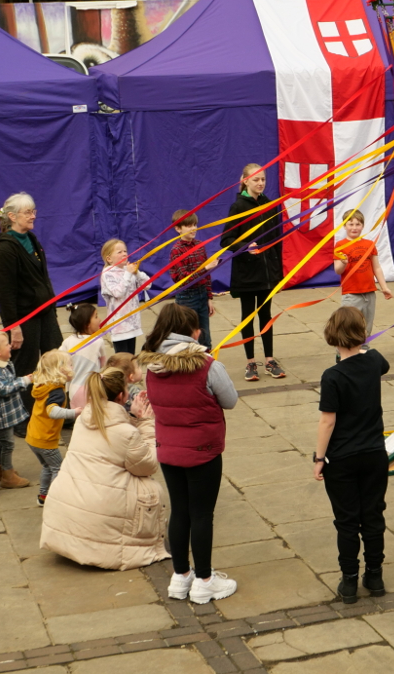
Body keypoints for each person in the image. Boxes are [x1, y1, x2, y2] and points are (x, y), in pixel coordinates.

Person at [140, 302, 239, 605]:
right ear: (193, 333)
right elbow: (230, 400)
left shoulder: (151, 367)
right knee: (201, 514)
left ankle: (180, 575)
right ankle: (205, 580)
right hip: (203, 450)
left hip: (169, 449)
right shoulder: (208, 366)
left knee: (179, 511)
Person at [41, 367, 170, 570]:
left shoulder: (84, 419)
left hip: (65, 508)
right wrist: (146, 423)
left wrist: (132, 417)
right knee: (151, 488)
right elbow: (148, 465)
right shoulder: (125, 432)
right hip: (102, 513)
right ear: (121, 396)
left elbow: (113, 435)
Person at [313, 306, 391, 604]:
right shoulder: (373, 361)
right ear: (362, 334)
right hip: (373, 453)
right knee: (373, 514)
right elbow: (379, 362)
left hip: (342, 458)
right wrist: (363, 345)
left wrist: (320, 458)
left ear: (333, 337)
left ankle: (349, 581)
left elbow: (327, 421)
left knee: (346, 520)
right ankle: (375, 573)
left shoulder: (332, 376)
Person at [221, 164, 285, 381]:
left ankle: (269, 359)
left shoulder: (270, 206)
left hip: (268, 274)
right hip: (247, 274)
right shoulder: (238, 206)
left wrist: (278, 271)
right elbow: (226, 240)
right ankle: (250, 363)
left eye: (263, 180)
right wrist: (246, 246)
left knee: (266, 316)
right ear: (245, 181)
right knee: (247, 317)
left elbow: (277, 240)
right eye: (256, 179)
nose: (260, 183)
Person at [0, 192, 62, 376]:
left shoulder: (31, 239)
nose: (33, 216)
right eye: (27, 212)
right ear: (12, 217)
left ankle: (56, 402)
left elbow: (43, 278)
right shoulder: (5, 248)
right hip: (25, 319)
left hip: (45, 314)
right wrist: (13, 326)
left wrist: (52, 309)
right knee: (26, 369)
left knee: (57, 362)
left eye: (33, 211)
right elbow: (5, 292)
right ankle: (27, 404)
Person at [0, 331, 32, 489]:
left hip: (8, 412)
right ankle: (8, 476)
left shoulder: (4, 364)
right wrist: (24, 381)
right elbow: (4, 389)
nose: (10, 346)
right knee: (8, 444)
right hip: (2, 415)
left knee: (4, 442)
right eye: (7, 344)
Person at [334, 208, 394, 346]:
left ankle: (363, 352)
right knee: (348, 325)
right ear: (344, 226)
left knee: (366, 327)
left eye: (358, 224)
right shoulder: (340, 245)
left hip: (369, 293)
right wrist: (343, 263)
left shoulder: (369, 244)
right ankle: (343, 352)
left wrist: (384, 287)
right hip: (351, 294)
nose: (354, 227)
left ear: (362, 226)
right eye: (351, 224)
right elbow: (337, 270)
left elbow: (376, 267)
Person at [27, 350, 78, 506]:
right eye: (70, 364)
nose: (73, 366)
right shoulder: (56, 391)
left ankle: (43, 496)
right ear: (60, 369)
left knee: (47, 467)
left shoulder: (44, 385)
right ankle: (56, 500)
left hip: (33, 436)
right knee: (58, 468)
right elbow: (53, 411)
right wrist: (74, 412)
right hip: (45, 439)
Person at [169, 210, 217, 345]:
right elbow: (183, 279)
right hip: (186, 299)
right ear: (178, 229)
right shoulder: (176, 251)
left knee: (205, 337)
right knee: (187, 337)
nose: (194, 228)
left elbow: (207, 277)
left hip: (202, 295)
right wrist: (204, 269)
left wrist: (208, 298)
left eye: (195, 225)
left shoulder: (200, 246)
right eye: (189, 226)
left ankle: (207, 364)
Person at [100, 238, 149, 355]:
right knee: (122, 359)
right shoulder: (107, 273)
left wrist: (137, 272)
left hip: (132, 322)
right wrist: (128, 273)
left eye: (125, 251)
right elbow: (118, 292)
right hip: (119, 325)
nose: (124, 254)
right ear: (109, 258)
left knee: (131, 356)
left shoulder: (129, 269)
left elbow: (147, 284)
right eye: (119, 252)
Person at [58, 303, 109, 413]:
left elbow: (58, 359)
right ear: (87, 324)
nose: (100, 319)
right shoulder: (98, 342)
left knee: (79, 420)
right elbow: (103, 365)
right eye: (96, 316)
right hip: (92, 388)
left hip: (73, 390)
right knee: (95, 417)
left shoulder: (68, 341)